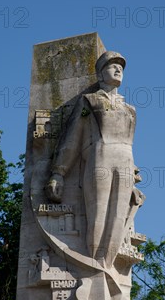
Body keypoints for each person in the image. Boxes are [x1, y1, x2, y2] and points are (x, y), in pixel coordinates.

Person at [46, 51, 140, 268]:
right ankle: (94, 265)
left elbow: (129, 142)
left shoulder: (130, 110)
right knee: (98, 215)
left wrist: (134, 179)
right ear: (99, 74)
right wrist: (58, 173)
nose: (118, 70)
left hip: (125, 160)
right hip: (100, 156)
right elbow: (72, 138)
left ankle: (106, 268)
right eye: (112, 66)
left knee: (118, 218)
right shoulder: (90, 101)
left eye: (121, 67)